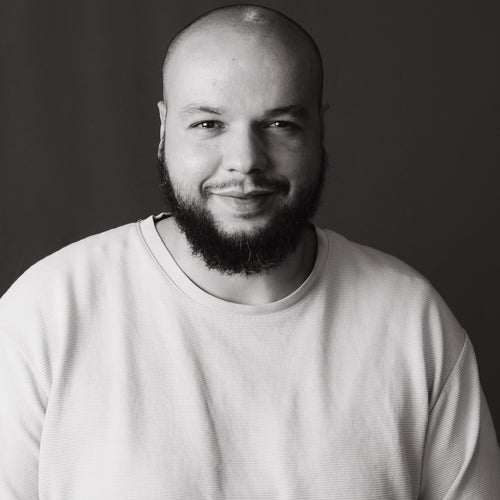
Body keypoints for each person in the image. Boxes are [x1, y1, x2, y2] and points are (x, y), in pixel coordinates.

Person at [0, 4, 499, 499]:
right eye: (208, 124)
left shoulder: (412, 321)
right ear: (164, 129)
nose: (244, 162)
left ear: (319, 130)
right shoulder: (46, 314)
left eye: (280, 124)